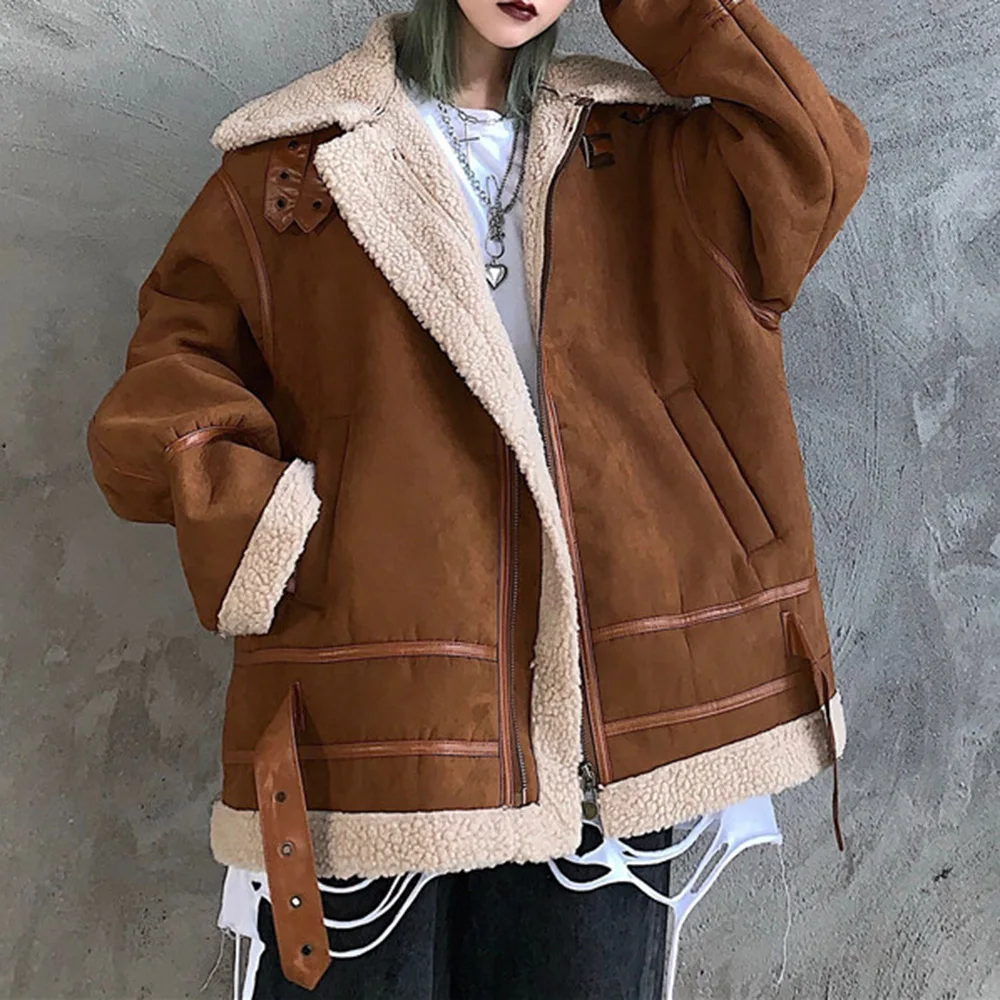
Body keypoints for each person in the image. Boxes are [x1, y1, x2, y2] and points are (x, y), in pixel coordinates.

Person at [86, 0, 870, 995]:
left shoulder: (658, 153)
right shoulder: (289, 170)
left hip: (610, 711)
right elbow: (163, 394)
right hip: (378, 707)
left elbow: (816, 162)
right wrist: (278, 539)